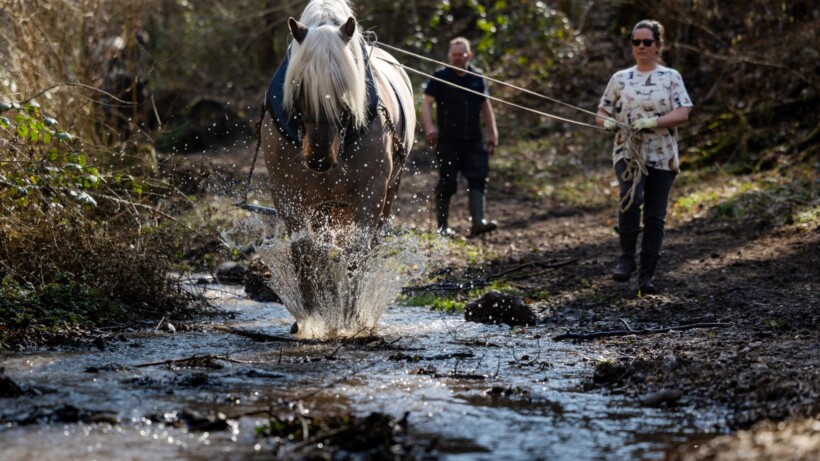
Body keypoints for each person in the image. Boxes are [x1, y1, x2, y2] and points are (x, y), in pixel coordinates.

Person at [596, 19, 693, 293]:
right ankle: (626, 257)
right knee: (631, 198)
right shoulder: (620, 78)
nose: (641, 46)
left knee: (655, 216)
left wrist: (654, 122)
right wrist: (607, 123)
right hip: (627, 150)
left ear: (657, 45)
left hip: (663, 156)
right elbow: (601, 111)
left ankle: (647, 275)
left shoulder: (671, 77)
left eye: (646, 42)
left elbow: (683, 112)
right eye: (636, 42)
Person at [422, 37, 499, 238]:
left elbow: (486, 106)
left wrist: (493, 132)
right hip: (448, 140)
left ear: (469, 55)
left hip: (473, 139)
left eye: (461, 54)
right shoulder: (440, 76)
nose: (457, 58)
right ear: (449, 56)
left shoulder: (477, 77)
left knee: (478, 177)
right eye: (454, 55)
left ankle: (478, 222)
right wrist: (430, 127)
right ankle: (442, 227)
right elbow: (427, 104)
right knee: (447, 181)